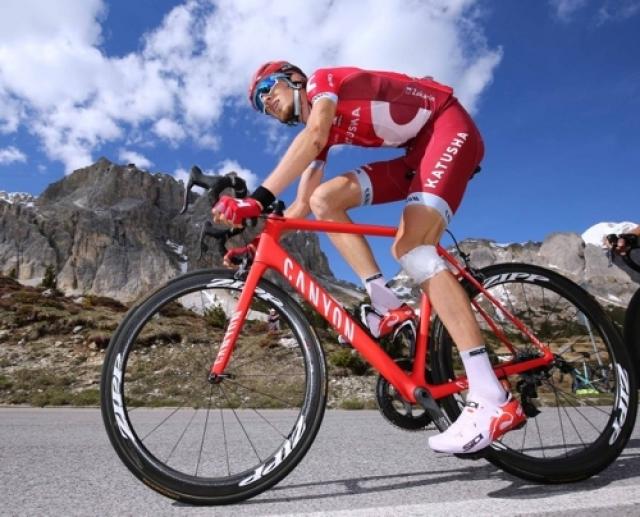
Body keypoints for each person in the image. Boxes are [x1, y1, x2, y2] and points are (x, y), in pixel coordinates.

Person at [212, 61, 525, 454]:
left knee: (411, 248)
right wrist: (257, 243)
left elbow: (314, 135)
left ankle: (491, 397)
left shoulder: (323, 83)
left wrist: (257, 199)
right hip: (417, 153)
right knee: (326, 199)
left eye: (268, 89)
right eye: (260, 104)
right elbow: (302, 206)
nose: (266, 103)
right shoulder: (322, 130)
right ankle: (385, 302)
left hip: (447, 128)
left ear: (295, 79)